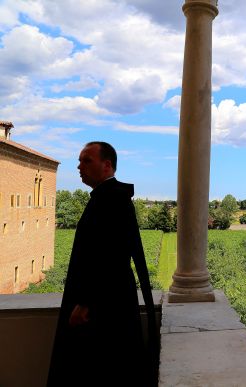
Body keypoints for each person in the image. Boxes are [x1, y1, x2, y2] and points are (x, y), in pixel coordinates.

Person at [48, 142, 157, 387]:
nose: (79, 166)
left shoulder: (111, 200)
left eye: (86, 161)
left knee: (103, 371)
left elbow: (111, 258)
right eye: (79, 161)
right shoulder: (108, 197)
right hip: (107, 301)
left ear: (107, 166)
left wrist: (85, 303)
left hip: (103, 308)